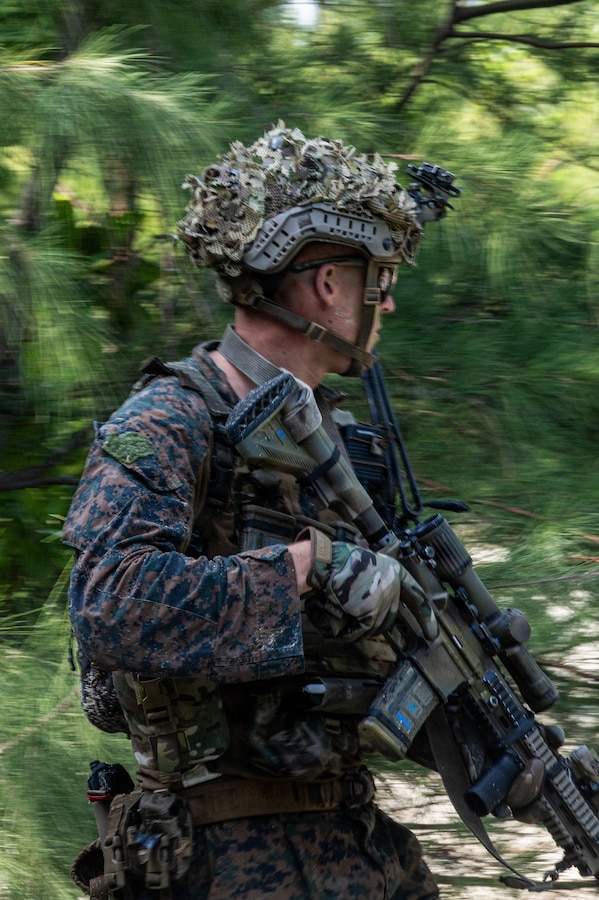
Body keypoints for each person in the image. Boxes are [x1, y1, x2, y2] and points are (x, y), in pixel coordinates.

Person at [63, 122, 448, 899]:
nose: (390, 301)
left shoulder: (339, 450)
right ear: (330, 285)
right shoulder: (168, 419)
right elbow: (109, 602)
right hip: (219, 863)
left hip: (361, 850)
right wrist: (308, 569)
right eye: (379, 276)